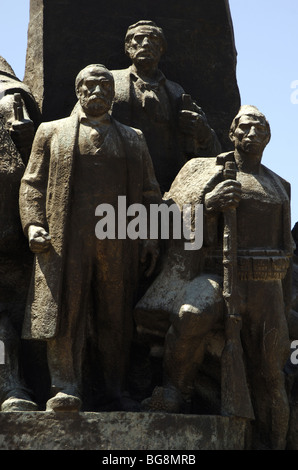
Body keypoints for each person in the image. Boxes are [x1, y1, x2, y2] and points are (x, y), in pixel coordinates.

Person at [135, 105, 293, 450]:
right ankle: (175, 391)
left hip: (266, 286)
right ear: (232, 133)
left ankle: (274, 443)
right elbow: (169, 216)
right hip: (216, 273)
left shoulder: (280, 185)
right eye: (247, 128)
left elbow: (287, 248)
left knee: (270, 373)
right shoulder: (206, 170)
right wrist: (208, 202)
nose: (254, 134)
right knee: (191, 313)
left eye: (261, 129)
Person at [19, 64, 162, 412]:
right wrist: (33, 224)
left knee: (115, 316)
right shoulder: (51, 132)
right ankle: (64, 386)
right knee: (66, 310)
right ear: (78, 91)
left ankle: (114, 389)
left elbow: (150, 192)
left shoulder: (133, 138)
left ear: (113, 94)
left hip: (118, 238)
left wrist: (152, 238)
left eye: (104, 85)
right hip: (66, 239)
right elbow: (31, 183)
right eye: (89, 85)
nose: (97, 91)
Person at [111, 20, 221, 194]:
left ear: (162, 49)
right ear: (127, 47)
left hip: (169, 190)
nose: (146, 43)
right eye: (139, 38)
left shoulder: (177, 92)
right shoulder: (109, 83)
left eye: (153, 39)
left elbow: (212, 148)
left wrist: (202, 133)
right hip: (118, 187)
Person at [0, 57, 41, 412]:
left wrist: (26, 141)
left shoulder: (12, 95)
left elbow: (40, 168)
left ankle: (12, 383)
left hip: (16, 229)